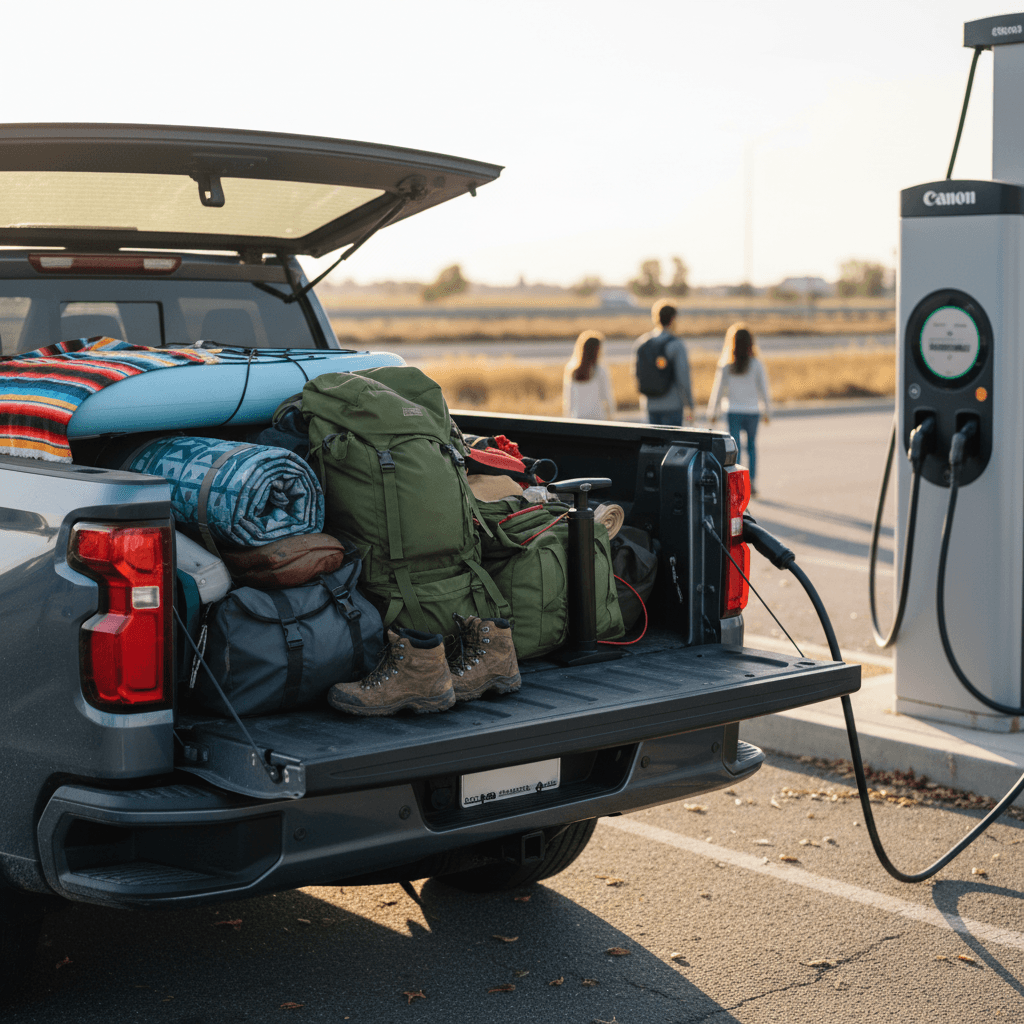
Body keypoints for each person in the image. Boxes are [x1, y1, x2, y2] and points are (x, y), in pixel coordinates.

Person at [707, 322, 772, 496]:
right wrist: (767, 411)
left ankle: (736, 485)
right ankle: (752, 483)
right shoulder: (756, 364)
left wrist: (713, 411)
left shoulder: (726, 365)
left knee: (735, 451)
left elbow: (718, 390)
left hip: (733, 411)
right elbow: (764, 389)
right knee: (751, 447)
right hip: (752, 411)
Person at [633, 300, 693, 426]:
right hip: (672, 404)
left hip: (650, 404)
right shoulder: (676, 345)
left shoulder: (642, 343)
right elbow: (683, 378)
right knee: (672, 444)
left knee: (654, 444)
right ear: (673, 319)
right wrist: (689, 405)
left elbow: (636, 374)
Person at [563, 329, 616, 420]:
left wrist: (568, 419)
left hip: (578, 418)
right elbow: (607, 397)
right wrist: (611, 417)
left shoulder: (571, 370)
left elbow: (568, 401)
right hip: (598, 418)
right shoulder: (600, 371)